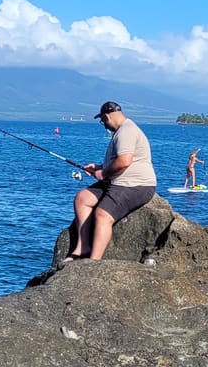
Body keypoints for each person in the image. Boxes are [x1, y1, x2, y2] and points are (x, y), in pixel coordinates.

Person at [66, 102, 156, 263]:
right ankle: (82, 247)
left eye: (103, 121)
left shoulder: (126, 131)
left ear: (106, 117)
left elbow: (124, 161)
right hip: (118, 180)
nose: (104, 125)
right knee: (82, 198)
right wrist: (100, 167)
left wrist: (103, 173)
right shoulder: (122, 130)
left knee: (102, 214)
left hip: (136, 185)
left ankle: (93, 262)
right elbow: (121, 160)